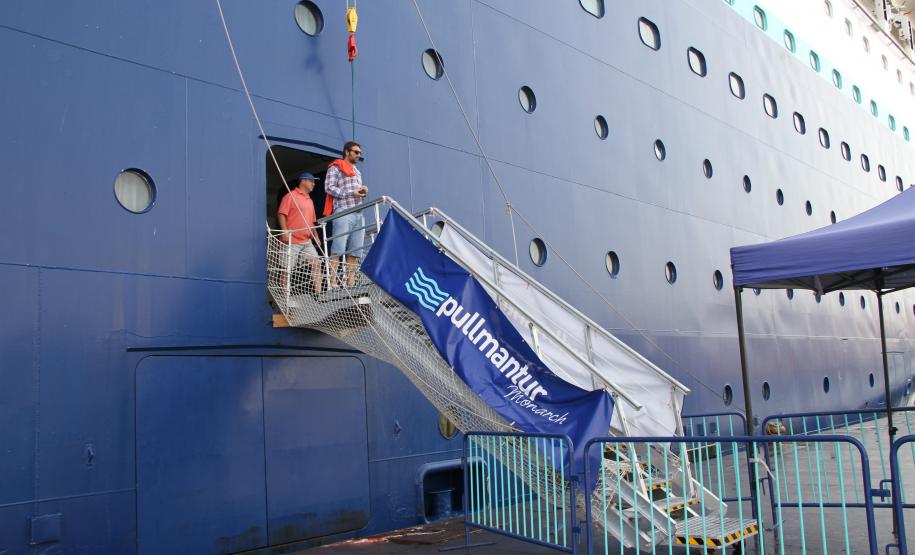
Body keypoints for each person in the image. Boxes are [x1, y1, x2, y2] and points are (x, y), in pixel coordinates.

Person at [324, 141, 368, 288]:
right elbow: (329, 188)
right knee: (338, 248)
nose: (358, 155)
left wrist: (362, 191)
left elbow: (355, 192)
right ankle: (333, 282)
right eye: (356, 152)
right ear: (347, 152)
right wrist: (351, 192)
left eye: (360, 153)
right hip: (343, 211)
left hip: (358, 213)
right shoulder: (336, 167)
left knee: (355, 251)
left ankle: (351, 283)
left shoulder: (357, 171)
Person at [277, 172, 321, 295]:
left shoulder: (310, 200)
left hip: (306, 241)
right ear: (303, 181)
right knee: (287, 269)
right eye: (311, 181)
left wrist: (316, 237)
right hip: (291, 240)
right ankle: (284, 297)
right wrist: (284, 231)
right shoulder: (290, 196)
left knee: (316, 263)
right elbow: (281, 213)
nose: (313, 184)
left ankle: (319, 294)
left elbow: (311, 222)